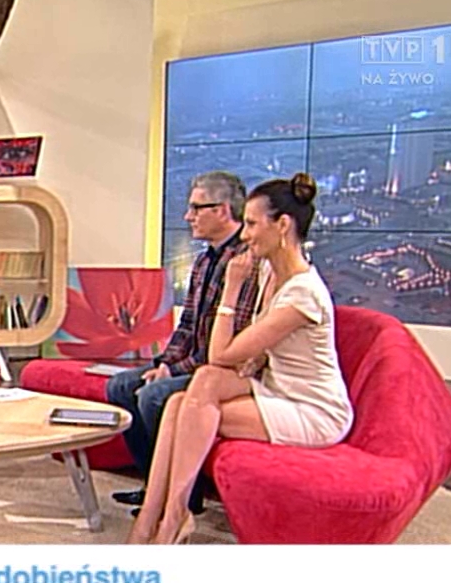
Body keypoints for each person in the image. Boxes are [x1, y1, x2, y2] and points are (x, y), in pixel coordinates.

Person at [127, 173, 355, 545]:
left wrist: (231, 290)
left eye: (251, 224)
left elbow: (220, 354)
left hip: (313, 409)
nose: (244, 235)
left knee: (193, 398)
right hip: (275, 390)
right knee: (185, 397)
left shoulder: (304, 293)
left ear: (282, 225)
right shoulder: (268, 272)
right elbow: (221, 362)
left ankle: (171, 519)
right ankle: (156, 514)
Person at [105, 171, 260, 516]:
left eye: (195, 208)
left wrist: (173, 371)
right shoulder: (204, 260)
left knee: (154, 395)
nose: (188, 217)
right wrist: (165, 363)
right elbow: (188, 325)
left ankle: (182, 496)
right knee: (120, 386)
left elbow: (227, 344)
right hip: (191, 362)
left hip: (223, 369)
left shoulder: (246, 263)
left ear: (222, 210)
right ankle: (152, 485)